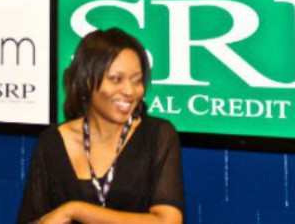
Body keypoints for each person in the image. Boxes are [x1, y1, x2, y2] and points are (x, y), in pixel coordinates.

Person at [18, 29, 184, 224]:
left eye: (137, 80)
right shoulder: (52, 142)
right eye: (116, 79)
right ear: (87, 81)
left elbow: (168, 221)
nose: (130, 91)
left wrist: (75, 210)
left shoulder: (158, 135)